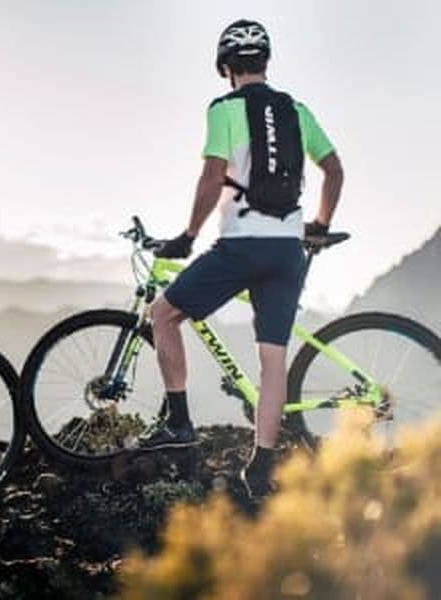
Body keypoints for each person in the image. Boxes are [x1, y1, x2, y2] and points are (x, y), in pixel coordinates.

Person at [139, 20, 344, 498]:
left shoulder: (225, 109)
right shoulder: (295, 109)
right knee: (273, 360)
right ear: (265, 63)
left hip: (242, 245)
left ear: (226, 68)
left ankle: (180, 423)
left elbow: (212, 178)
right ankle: (262, 467)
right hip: (287, 250)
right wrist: (319, 224)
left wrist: (189, 235)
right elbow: (334, 168)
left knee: (163, 315)